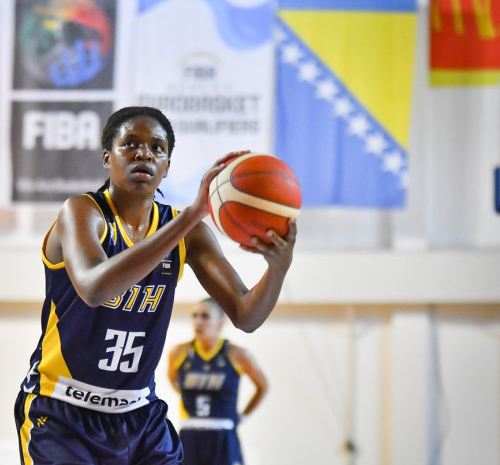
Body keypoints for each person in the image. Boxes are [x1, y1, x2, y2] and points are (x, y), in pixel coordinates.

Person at [15, 106, 296, 464]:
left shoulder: (189, 233)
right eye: (130, 143)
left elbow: (246, 315)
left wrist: (278, 267)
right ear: (107, 157)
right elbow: (95, 289)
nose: (144, 153)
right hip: (62, 413)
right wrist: (192, 215)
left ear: (167, 166)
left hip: (138, 416)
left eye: (157, 148)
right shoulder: (82, 213)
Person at [167, 298, 268, 465]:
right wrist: (191, 393)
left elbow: (262, 386)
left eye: (205, 316)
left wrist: (243, 416)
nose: (198, 321)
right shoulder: (178, 352)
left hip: (223, 433)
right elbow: (172, 379)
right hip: (189, 432)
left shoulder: (237, 354)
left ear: (220, 323)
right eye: (194, 316)